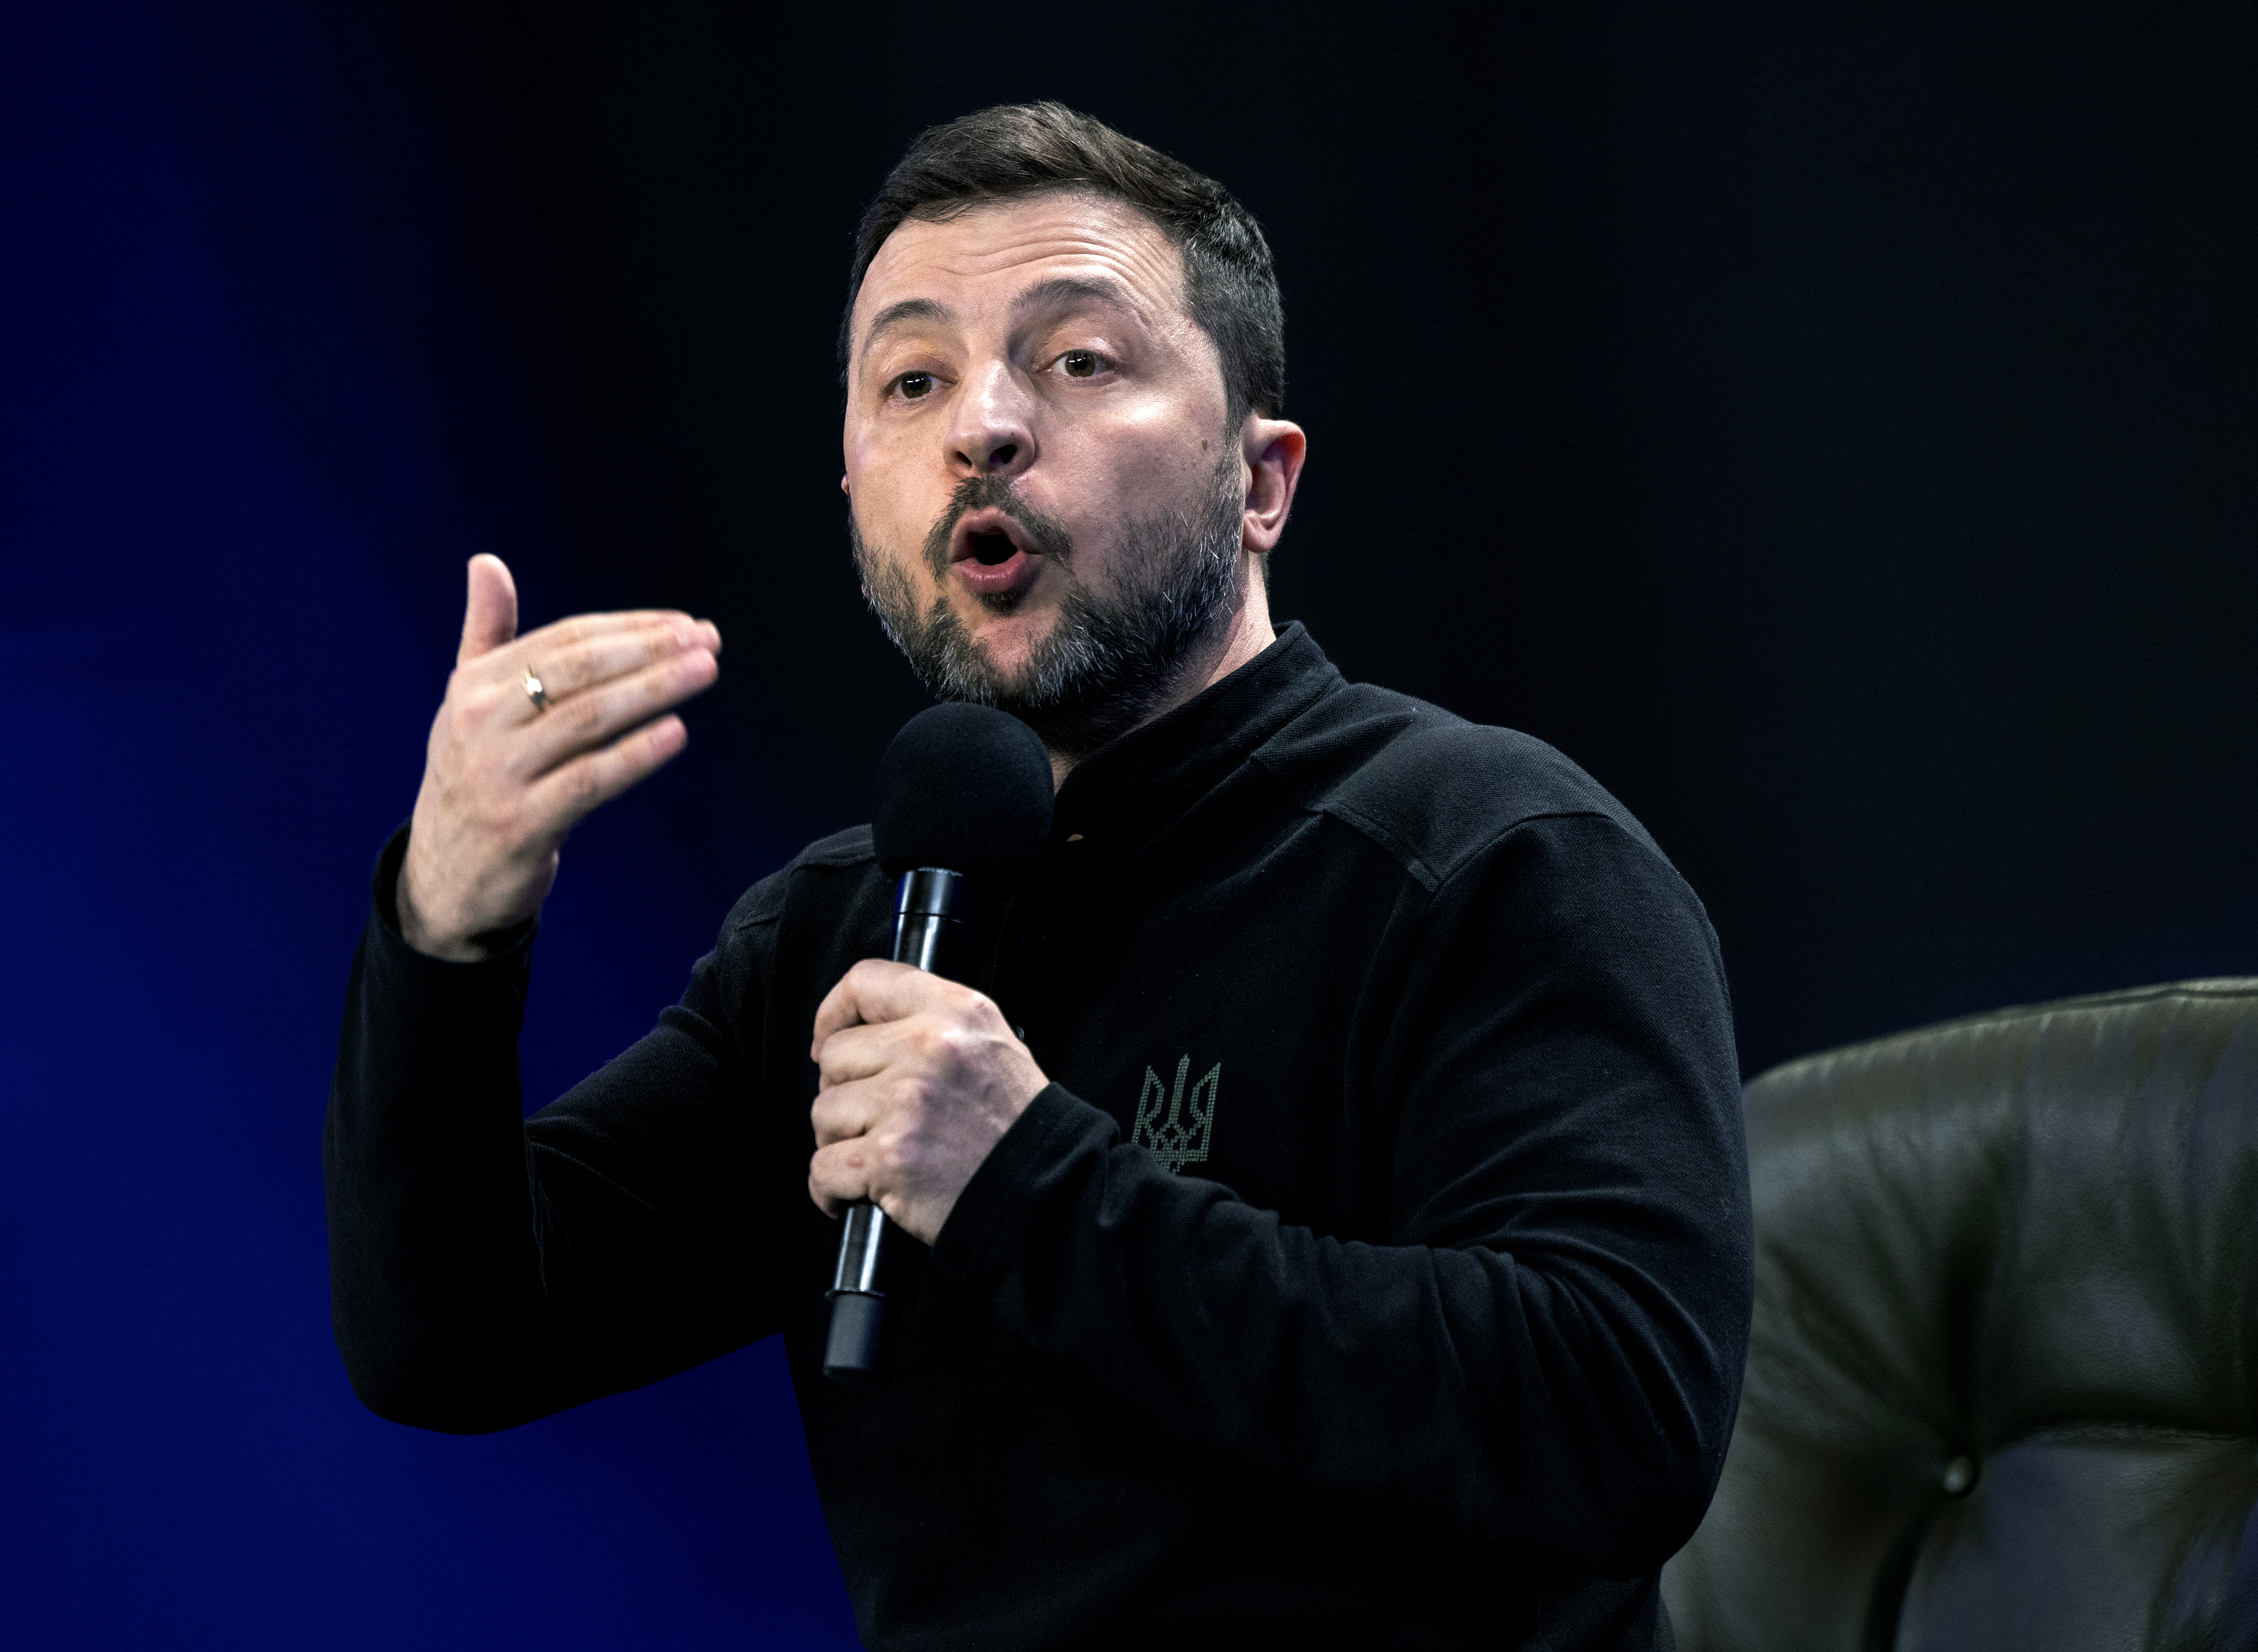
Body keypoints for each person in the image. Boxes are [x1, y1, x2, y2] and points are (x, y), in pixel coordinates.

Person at [327, 102, 1751, 1650]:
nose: (982, 427)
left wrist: (1027, 1181)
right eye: (912, 379)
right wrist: (444, 933)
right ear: (857, 492)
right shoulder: (832, 936)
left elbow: (1618, 1419)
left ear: (1262, 482)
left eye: (1078, 360)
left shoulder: (1493, 857)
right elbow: (452, 1340)